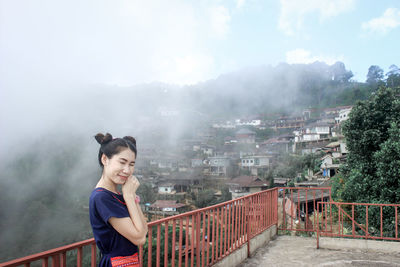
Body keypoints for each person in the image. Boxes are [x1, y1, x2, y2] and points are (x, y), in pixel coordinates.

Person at [89, 133, 148, 267]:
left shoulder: (115, 194)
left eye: (131, 164)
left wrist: (131, 196)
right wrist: (128, 196)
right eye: (122, 162)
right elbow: (139, 238)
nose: (127, 170)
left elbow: (144, 229)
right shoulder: (102, 197)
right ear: (105, 159)